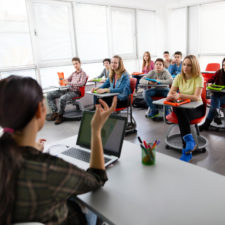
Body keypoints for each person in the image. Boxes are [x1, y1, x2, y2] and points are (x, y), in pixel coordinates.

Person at [0, 75, 117, 225]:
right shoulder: (49, 169)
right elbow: (96, 179)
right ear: (39, 111)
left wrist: (31, 148)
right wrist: (96, 131)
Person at [166, 55, 205, 162]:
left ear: (194, 66)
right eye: (184, 64)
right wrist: (170, 96)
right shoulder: (179, 77)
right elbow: (171, 92)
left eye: (189, 65)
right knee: (179, 109)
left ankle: (186, 150)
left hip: (196, 108)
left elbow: (197, 97)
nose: (185, 67)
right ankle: (189, 143)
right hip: (182, 108)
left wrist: (181, 96)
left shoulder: (199, 78)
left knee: (182, 114)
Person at [47, 57, 87, 125]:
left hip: (76, 92)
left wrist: (69, 83)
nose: (75, 65)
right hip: (68, 90)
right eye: (74, 64)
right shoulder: (73, 73)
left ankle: (60, 116)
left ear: (80, 63)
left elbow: (81, 84)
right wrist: (62, 81)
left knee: (62, 98)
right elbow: (67, 80)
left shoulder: (83, 73)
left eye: (76, 63)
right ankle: (55, 113)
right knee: (49, 95)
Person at [200, 58, 225, 131]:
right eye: (223, 65)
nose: (224, 67)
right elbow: (209, 81)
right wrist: (210, 83)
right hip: (217, 95)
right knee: (215, 96)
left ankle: (206, 124)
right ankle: (217, 115)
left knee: (214, 104)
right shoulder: (219, 72)